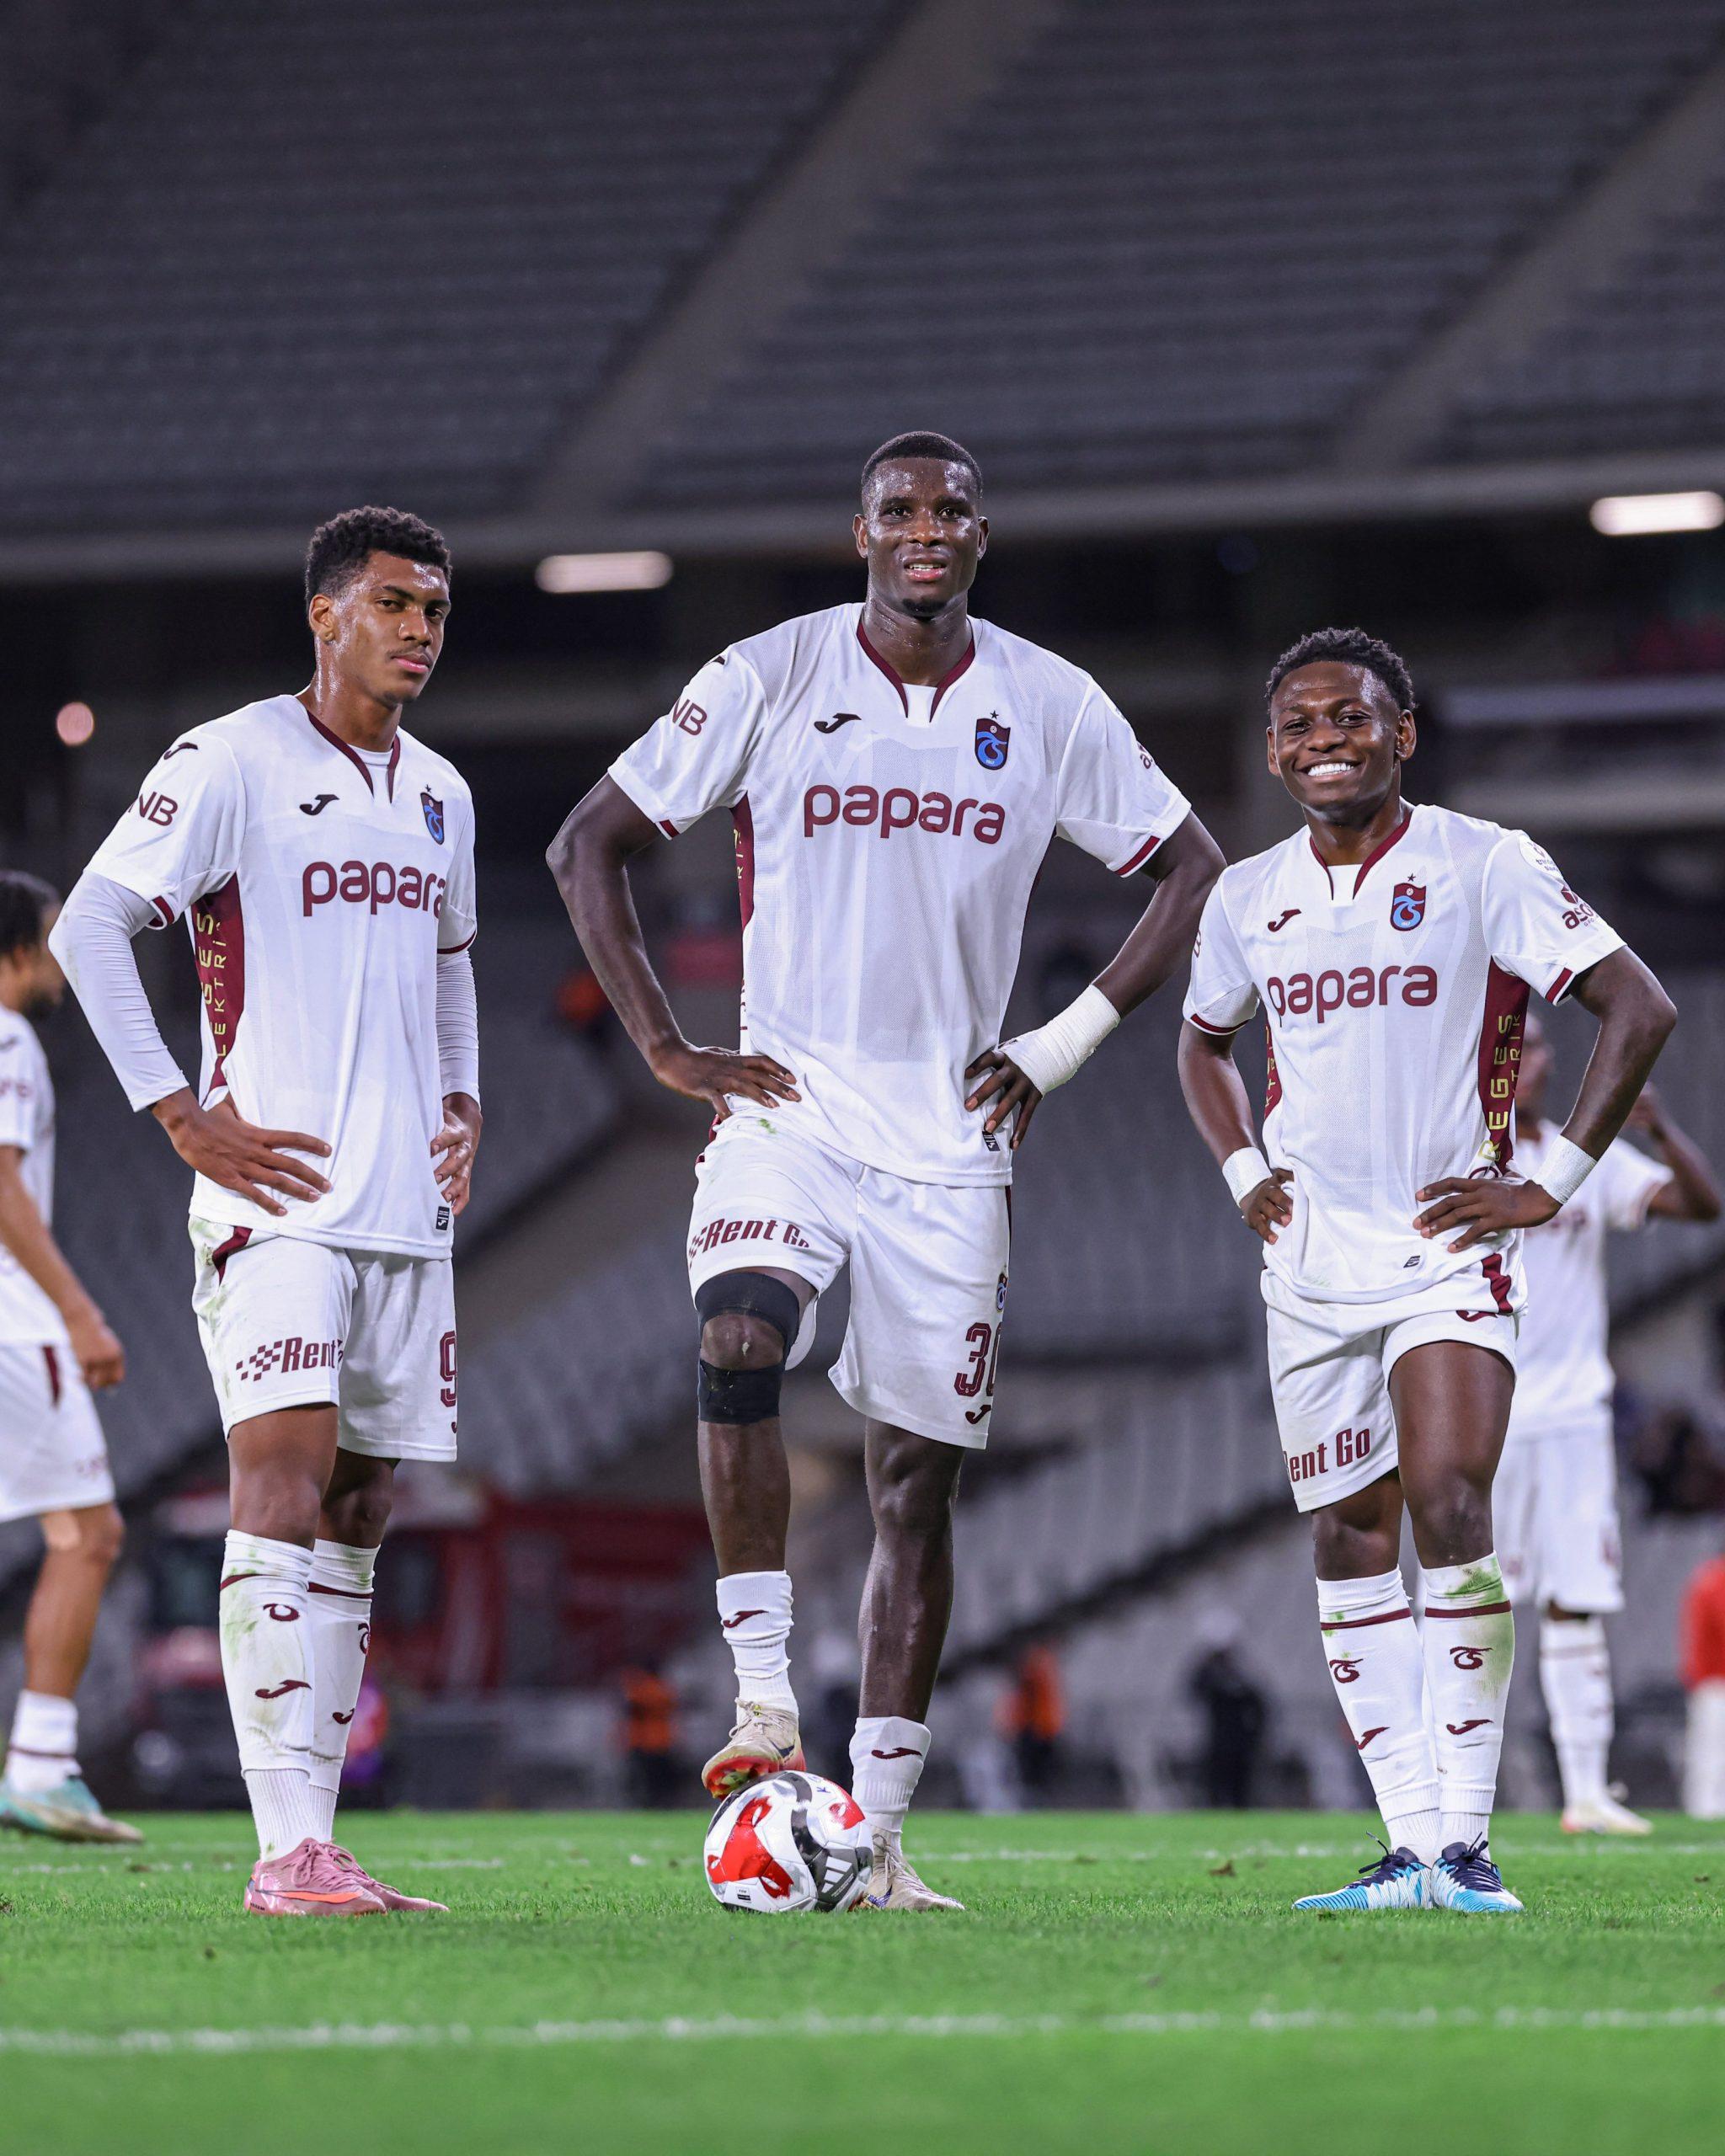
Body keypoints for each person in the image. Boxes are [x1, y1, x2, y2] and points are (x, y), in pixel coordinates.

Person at [549, 431, 1220, 1909]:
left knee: (913, 1490)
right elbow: (586, 843)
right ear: (858, 532)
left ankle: (883, 1836)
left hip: (951, 1147)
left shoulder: (1048, 704)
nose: (925, 531)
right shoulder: (769, 673)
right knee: (735, 1338)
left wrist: (1055, 1047)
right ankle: (762, 1699)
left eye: (951, 511)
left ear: (983, 535)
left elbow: (1191, 868)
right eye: (899, 511)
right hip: (786, 1107)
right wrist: (665, 1047)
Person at [1178, 626, 1675, 1914]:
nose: (1323, 740)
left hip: (1449, 1250)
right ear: (1273, 749)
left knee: (1452, 1498)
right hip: (1308, 1266)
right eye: (1297, 723)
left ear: (1402, 734)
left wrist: (1549, 1182)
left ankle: (1468, 1844)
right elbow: (1200, 1047)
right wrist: (1245, 1176)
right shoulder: (1248, 896)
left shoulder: (1483, 861)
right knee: (1351, 1537)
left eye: (1350, 718)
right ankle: (1407, 1849)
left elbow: (1638, 1006)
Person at [51, 506, 480, 1917]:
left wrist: (464, 1107)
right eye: (393, 603)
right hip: (275, 1195)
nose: (418, 628)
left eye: (433, 608)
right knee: (280, 1481)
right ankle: (286, 1848)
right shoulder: (231, 759)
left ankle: (322, 1837)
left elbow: (452, 968)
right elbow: (89, 927)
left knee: (360, 1505)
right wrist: (179, 1110)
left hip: (406, 1213)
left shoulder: (441, 796)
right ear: (326, 614)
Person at [1498, 1018, 1719, 1833]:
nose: (1536, 1063)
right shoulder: (1460, 1158)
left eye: (1545, 1048)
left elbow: (1700, 1204)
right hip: (1489, 1418)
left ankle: (1585, 1793)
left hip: (1577, 1417)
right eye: (1519, 1050)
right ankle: (1456, 1797)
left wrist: (1658, 1126)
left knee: (1577, 1601)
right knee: (1479, 1604)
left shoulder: (1578, 1157)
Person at [0, 873, 137, 1844]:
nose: (60, 960)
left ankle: (43, 1764)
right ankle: (42, 1766)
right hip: (16, 1329)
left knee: (81, 1535)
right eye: (49, 940)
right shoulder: (8, 1040)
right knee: (86, 1535)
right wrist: (80, 1312)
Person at [1680, 1545, 1725, 1817]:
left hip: (1712, 1687)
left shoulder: (1708, 1577)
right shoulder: (1715, 1579)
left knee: (1710, 1760)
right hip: (1717, 1685)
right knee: (1711, 1763)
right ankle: (1706, 1816)